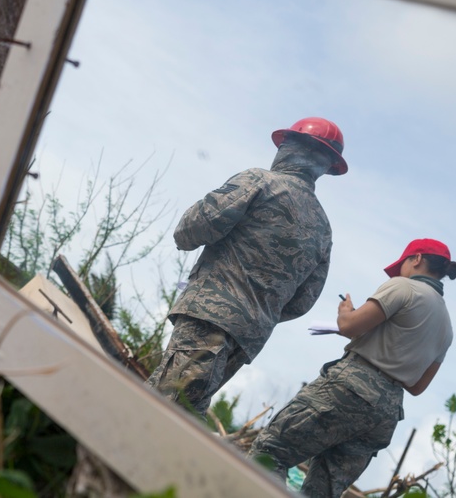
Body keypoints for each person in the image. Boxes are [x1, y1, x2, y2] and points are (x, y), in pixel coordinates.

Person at [145, 117, 348, 416]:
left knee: (159, 408)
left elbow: (195, 227)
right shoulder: (323, 228)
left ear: (290, 146)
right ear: (326, 166)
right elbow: (302, 302)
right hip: (247, 338)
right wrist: (258, 310)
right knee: (183, 410)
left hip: (208, 317)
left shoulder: (260, 182)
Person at [249, 238, 456, 497]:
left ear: (416, 258)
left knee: (269, 453)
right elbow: (417, 386)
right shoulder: (447, 327)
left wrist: (346, 312)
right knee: (323, 490)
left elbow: (349, 325)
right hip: (386, 414)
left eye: (404, 263)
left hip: (349, 388)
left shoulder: (403, 287)